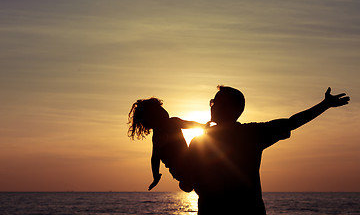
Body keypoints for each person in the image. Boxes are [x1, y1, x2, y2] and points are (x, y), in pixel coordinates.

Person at [184, 86, 350, 214]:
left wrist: (324, 105)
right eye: (212, 102)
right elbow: (188, 182)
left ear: (234, 109)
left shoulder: (247, 135)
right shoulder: (251, 134)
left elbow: (291, 122)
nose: (212, 106)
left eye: (218, 103)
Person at [128, 97, 205, 191]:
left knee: (199, 142)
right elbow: (155, 157)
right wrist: (155, 176)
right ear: (152, 120)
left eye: (161, 108)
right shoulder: (159, 134)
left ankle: (190, 181)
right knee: (197, 141)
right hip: (179, 167)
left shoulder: (174, 121)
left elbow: (190, 124)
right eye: (158, 111)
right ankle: (188, 182)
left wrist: (204, 126)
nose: (163, 112)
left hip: (187, 160)